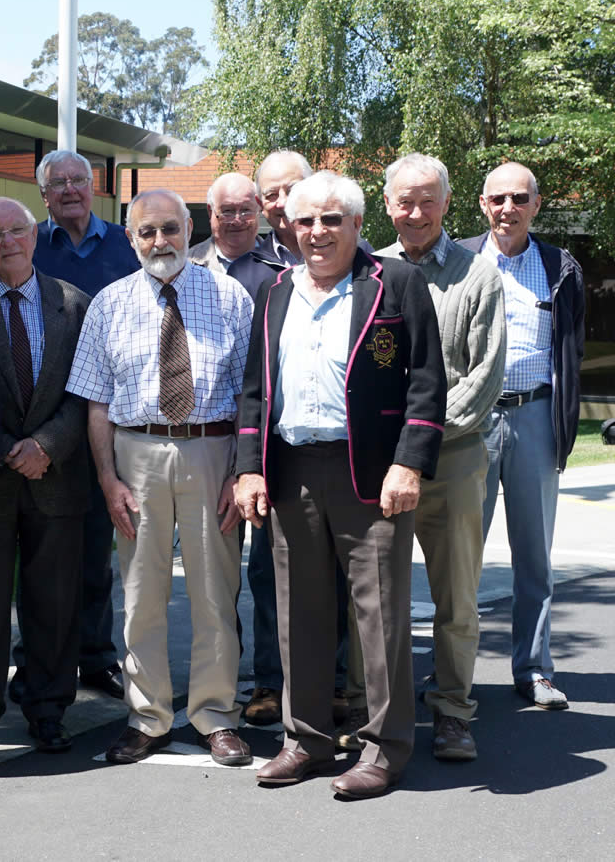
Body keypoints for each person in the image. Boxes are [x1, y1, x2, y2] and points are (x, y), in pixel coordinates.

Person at [238, 171, 445, 800]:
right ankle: (305, 739)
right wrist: (249, 466)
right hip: (293, 470)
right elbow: (253, 391)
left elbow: (426, 381)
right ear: (290, 227)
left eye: (331, 220)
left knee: (379, 615)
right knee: (297, 609)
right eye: (305, 221)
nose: (318, 233)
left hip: (370, 473)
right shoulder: (275, 292)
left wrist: (409, 463)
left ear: (358, 225)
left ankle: (385, 750)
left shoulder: (396, 283)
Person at [66, 189, 254, 767]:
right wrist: (107, 479)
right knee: (141, 595)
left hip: (212, 452)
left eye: (170, 229)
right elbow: (95, 403)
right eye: (146, 232)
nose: (159, 242)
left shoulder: (231, 297)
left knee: (214, 594)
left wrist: (241, 473)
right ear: (130, 238)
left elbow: (253, 395)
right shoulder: (109, 303)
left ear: (189, 228)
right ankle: (147, 715)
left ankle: (215, 714)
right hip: (136, 454)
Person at [368, 153, 504, 761]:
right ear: (388, 204)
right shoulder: (369, 269)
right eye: (405, 200)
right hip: (378, 466)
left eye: (428, 200)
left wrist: (417, 440)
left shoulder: (478, 275)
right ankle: (374, 706)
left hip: (453, 459)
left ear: (448, 204)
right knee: (374, 595)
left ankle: (453, 709)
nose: (415, 212)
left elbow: (483, 377)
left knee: (456, 598)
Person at [0, 197, 91, 756]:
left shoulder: (74, 305)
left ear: (35, 237)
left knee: (54, 603)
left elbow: (88, 392)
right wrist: (9, 449)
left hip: (57, 477)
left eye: (17, 231)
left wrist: (47, 445)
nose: (7, 241)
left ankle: (49, 706)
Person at [459, 161, 585, 710]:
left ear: (536, 204)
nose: (506, 208)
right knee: (459, 555)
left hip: (534, 418)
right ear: (482, 204)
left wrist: (564, 422)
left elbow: (573, 350)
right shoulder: (460, 261)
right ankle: (453, 676)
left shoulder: (559, 266)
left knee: (534, 557)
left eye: (518, 198)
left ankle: (533, 669)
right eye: (497, 199)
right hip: (471, 424)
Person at [26, 148, 140, 702]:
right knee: (40, 549)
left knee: (96, 547)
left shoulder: (124, 246)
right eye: (58, 183)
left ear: (94, 188)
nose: (69, 189)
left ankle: (95, 657)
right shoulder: (29, 243)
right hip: (38, 416)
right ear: (43, 194)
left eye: (79, 180)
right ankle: (38, 658)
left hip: (105, 420)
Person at [187, 171, 290, 727]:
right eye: (224, 210)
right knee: (212, 573)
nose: (235, 219)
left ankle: (269, 682)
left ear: (260, 211)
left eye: (245, 209)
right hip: (203, 444)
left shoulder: (283, 271)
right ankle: (218, 682)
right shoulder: (184, 264)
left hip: (265, 443)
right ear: (209, 212)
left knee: (269, 572)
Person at [254, 151, 312, 266]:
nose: (282, 203)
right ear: (260, 204)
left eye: (292, 191)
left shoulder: (348, 257)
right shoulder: (244, 272)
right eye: (272, 195)